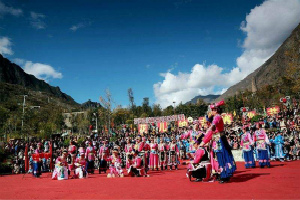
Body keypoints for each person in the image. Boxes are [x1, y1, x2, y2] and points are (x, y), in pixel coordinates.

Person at [200, 100, 236, 183]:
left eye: (212, 110)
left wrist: (211, 128)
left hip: (219, 140)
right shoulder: (217, 117)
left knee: (221, 157)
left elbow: (213, 127)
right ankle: (225, 174)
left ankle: (224, 176)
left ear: (216, 110)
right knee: (221, 157)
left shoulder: (217, 117)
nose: (211, 112)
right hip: (218, 139)